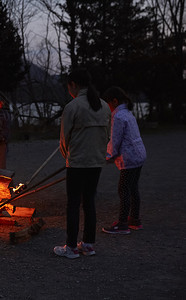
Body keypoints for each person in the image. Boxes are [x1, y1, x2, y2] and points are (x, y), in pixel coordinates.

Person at [54, 68, 111, 259]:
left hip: (78, 162)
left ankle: (71, 247)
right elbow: (107, 136)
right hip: (96, 162)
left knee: (73, 204)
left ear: (73, 85)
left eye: (68, 86)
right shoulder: (104, 106)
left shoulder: (73, 106)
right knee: (89, 202)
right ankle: (88, 244)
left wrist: (69, 157)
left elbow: (64, 140)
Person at [101, 86, 146, 234]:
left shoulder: (118, 116)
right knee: (133, 188)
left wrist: (108, 156)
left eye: (108, 103)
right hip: (138, 156)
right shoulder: (127, 113)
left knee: (124, 189)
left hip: (130, 158)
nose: (107, 107)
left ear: (114, 101)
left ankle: (122, 223)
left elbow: (115, 140)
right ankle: (134, 219)